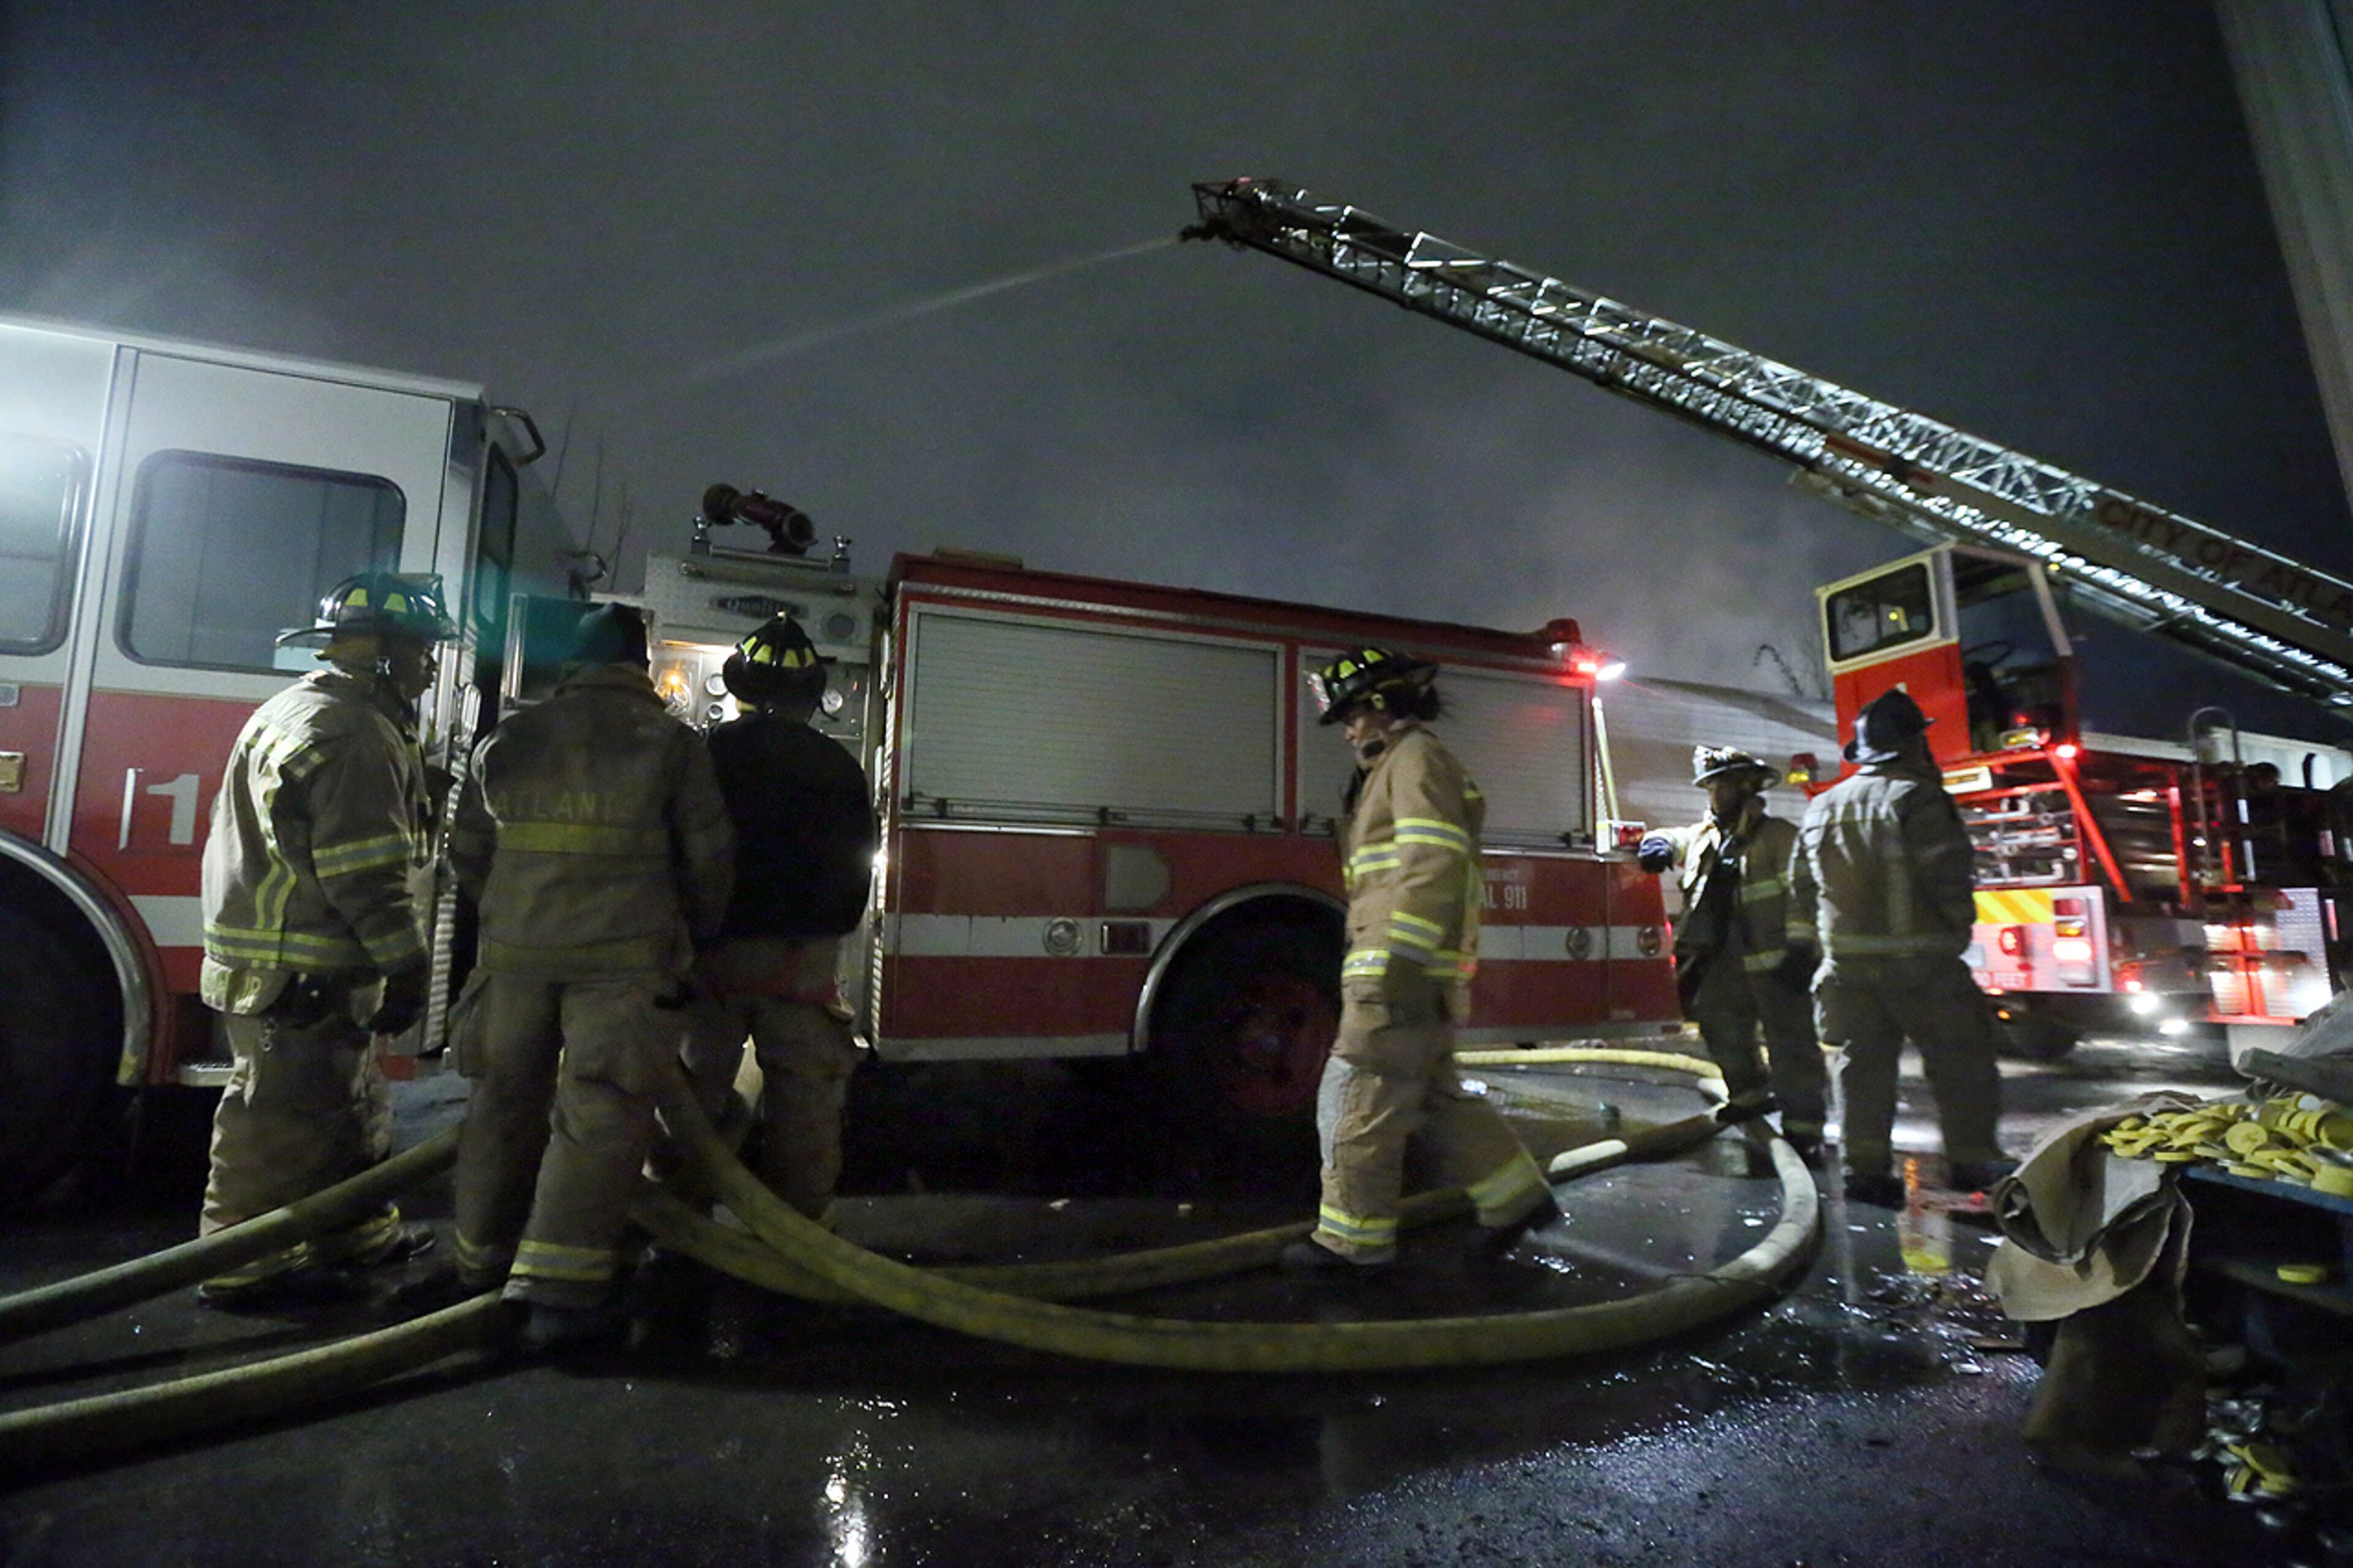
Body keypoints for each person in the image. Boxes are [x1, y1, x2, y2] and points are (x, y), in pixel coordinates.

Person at [445, 604, 735, 1349]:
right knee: (600, 1110)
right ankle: (561, 1293)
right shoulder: (670, 743)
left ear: (572, 667)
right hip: (624, 962)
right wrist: (694, 938)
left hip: (514, 959)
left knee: (501, 1102)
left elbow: (468, 851)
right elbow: (707, 861)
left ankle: (480, 1265)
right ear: (640, 668)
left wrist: (511, 916)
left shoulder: (510, 737)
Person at [194, 571, 453, 1306]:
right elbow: (365, 874)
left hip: (310, 965)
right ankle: (243, 1265)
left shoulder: (307, 709)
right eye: (419, 650)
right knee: (278, 1118)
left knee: (347, 1100)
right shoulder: (351, 734)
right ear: (375, 652)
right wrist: (405, 965)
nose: (430, 666)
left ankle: (356, 1232)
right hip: (300, 967)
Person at [1279, 646, 1558, 1276]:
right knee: (1430, 1096)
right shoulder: (1401, 765)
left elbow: (1434, 861)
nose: (1348, 731)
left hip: (1395, 969)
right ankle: (1515, 1199)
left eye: (1353, 715)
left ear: (1382, 705)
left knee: (1357, 1092)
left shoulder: (1413, 760)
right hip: (1412, 967)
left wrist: (1398, 959)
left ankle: (1353, 1246)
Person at [680, 614, 876, 1222]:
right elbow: (857, 871)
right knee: (805, 1104)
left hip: (712, 958)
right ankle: (799, 1234)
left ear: (738, 688)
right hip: (803, 962)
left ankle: (681, 1221)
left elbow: (682, 851)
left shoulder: (705, 756)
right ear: (811, 699)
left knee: (693, 1095)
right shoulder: (839, 767)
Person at [1787, 688, 2009, 1206]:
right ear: (1910, 745)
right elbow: (1947, 876)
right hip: (1923, 967)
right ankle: (1972, 1161)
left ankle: (1865, 1171)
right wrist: (1956, 929)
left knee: (1860, 1069)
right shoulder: (1918, 798)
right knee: (1962, 1061)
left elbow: (1800, 889)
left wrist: (1814, 949)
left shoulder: (1822, 807)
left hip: (1846, 969)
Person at [1637, 746, 1828, 1161]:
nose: (1717, 793)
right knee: (1720, 1029)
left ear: (1747, 785)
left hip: (1776, 961)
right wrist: (1657, 844)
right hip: (1722, 963)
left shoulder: (1780, 836)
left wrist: (1801, 947)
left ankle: (1805, 1128)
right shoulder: (1704, 836)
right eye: (1712, 785)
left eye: (1724, 783)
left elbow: (1805, 894)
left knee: (1792, 1045)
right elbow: (1672, 836)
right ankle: (1750, 1096)